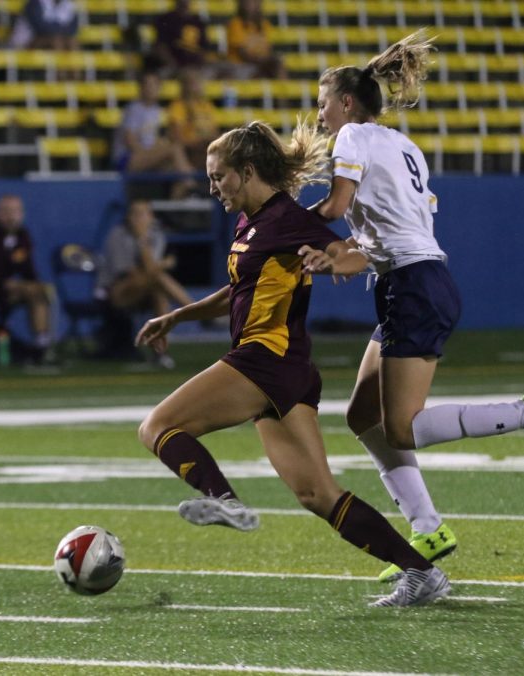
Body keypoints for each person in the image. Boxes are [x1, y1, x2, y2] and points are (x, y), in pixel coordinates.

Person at [301, 30, 524, 585]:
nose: (319, 114)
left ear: (348, 103)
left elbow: (336, 207)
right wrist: (335, 260)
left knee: (401, 429)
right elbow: (381, 242)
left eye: (322, 102)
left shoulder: (352, 137)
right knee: (363, 415)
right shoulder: (404, 146)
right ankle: (427, 527)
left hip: (413, 288)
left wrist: (283, 227)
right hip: (414, 282)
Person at [134, 120, 450, 608]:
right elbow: (239, 291)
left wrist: (336, 262)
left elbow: (352, 250)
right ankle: (421, 572)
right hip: (289, 369)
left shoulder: (285, 218)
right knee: (317, 494)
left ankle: (222, 500)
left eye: (218, 176)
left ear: (248, 170)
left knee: (158, 426)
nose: (212, 186)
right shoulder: (251, 221)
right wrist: (179, 315)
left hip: (265, 359)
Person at [95, 199, 194, 367]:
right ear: (128, 217)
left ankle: (160, 354)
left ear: (151, 216)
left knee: (159, 295)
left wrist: (146, 245)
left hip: (145, 291)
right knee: (158, 278)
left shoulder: (156, 235)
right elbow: (134, 273)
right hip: (116, 293)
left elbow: (150, 270)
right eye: (135, 213)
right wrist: (159, 259)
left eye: (144, 213)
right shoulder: (118, 235)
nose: (139, 218)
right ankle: (194, 309)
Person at [0, 195, 54, 369]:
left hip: (7, 290)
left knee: (36, 290)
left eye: (14, 211)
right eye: (6, 211)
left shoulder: (22, 235)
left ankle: (42, 347)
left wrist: (32, 284)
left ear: (21, 214)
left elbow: (28, 269)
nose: (10, 216)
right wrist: (3, 283)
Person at [110, 70, 197, 198]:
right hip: (127, 158)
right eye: (148, 85)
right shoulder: (134, 109)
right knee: (173, 149)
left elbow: (155, 139)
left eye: (154, 85)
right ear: (141, 88)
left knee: (174, 164)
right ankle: (192, 185)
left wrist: (157, 150)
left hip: (147, 155)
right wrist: (152, 153)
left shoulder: (157, 111)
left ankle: (179, 202)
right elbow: (130, 141)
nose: (151, 89)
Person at [167, 68, 220, 170]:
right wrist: (198, 142)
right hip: (189, 151)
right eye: (193, 82)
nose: (198, 85)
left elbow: (214, 131)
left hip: (207, 146)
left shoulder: (207, 105)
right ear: (185, 86)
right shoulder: (177, 106)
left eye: (199, 81)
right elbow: (176, 138)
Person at [225, 0, 287, 79]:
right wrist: (262, 61)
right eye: (248, 2)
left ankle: (284, 89)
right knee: (262, 73)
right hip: (240, 66)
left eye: (254, 1)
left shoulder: (265, 25)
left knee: (277, 65)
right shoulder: (235, 24)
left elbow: (269, 49)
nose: (251, 4)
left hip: (260, 65)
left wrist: (267, 60)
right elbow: (242, 54)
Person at [151, 0, 212, 76]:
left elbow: (204, 49)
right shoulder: (166, 19)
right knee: (160, 75)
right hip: (172, 65)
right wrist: (174, 65)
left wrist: (196, 65)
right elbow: (160, 47)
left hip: (195, 66)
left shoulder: (198, 21)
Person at [9, 0, 79, 51]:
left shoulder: (67, 4)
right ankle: (59, 71)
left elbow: (73, 29)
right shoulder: (35, 3)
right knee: (56, 42)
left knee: (72, 42)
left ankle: (75, 71)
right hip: (24, 42)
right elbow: (41, 28)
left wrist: (57, 29)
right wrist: (60, 29)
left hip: (48, 38)